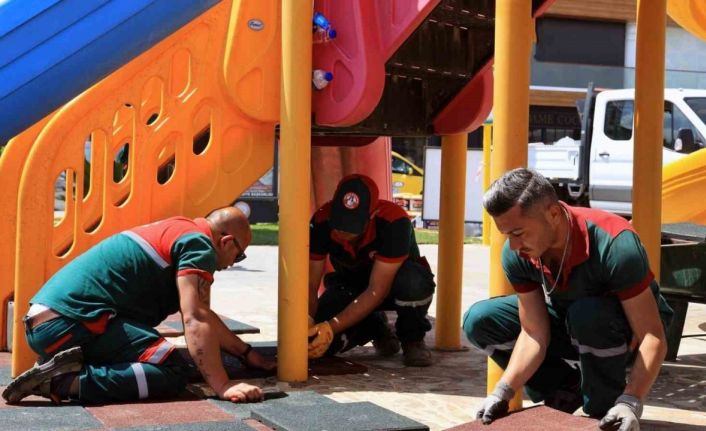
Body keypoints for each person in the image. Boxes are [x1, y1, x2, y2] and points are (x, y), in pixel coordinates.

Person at [463, 168, 673, 430]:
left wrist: (631, 401)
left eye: (518, 233)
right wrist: (502, 391)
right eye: (507, 235)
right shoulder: (517, 253)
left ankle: (605, 410)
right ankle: (565, 387)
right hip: (573, 322)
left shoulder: (615, 243)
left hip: (630, 334)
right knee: (480, 319)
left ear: (553, 214)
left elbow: (652, 336)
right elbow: (533, 332)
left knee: (588, 314)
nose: (514, 246)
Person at [3, 206, 275, 405]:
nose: (232, 264)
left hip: (51, 323)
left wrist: (246, 352)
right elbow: (194, 318)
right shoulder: (199, 245)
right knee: (173, 370)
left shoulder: (180, 229)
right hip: (72, 323)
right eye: (239, 256)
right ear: (225, 242)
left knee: (162, 358)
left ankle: (62, 368)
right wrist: (223, 385)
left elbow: (203, 314)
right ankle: (64, 382)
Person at [307, 174, 436, 367]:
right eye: (339, 223)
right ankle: (375, 327)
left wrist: (331, 326)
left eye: (352, 225)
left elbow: (377, 290)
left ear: (373, 214)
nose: (344, 232)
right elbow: (310, 283)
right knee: (318, 344)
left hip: (393, 286)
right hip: (350, 285)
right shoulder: (320, 220)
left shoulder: (395, 221)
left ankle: (412, 339)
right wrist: (309, 321)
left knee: (413, 282)